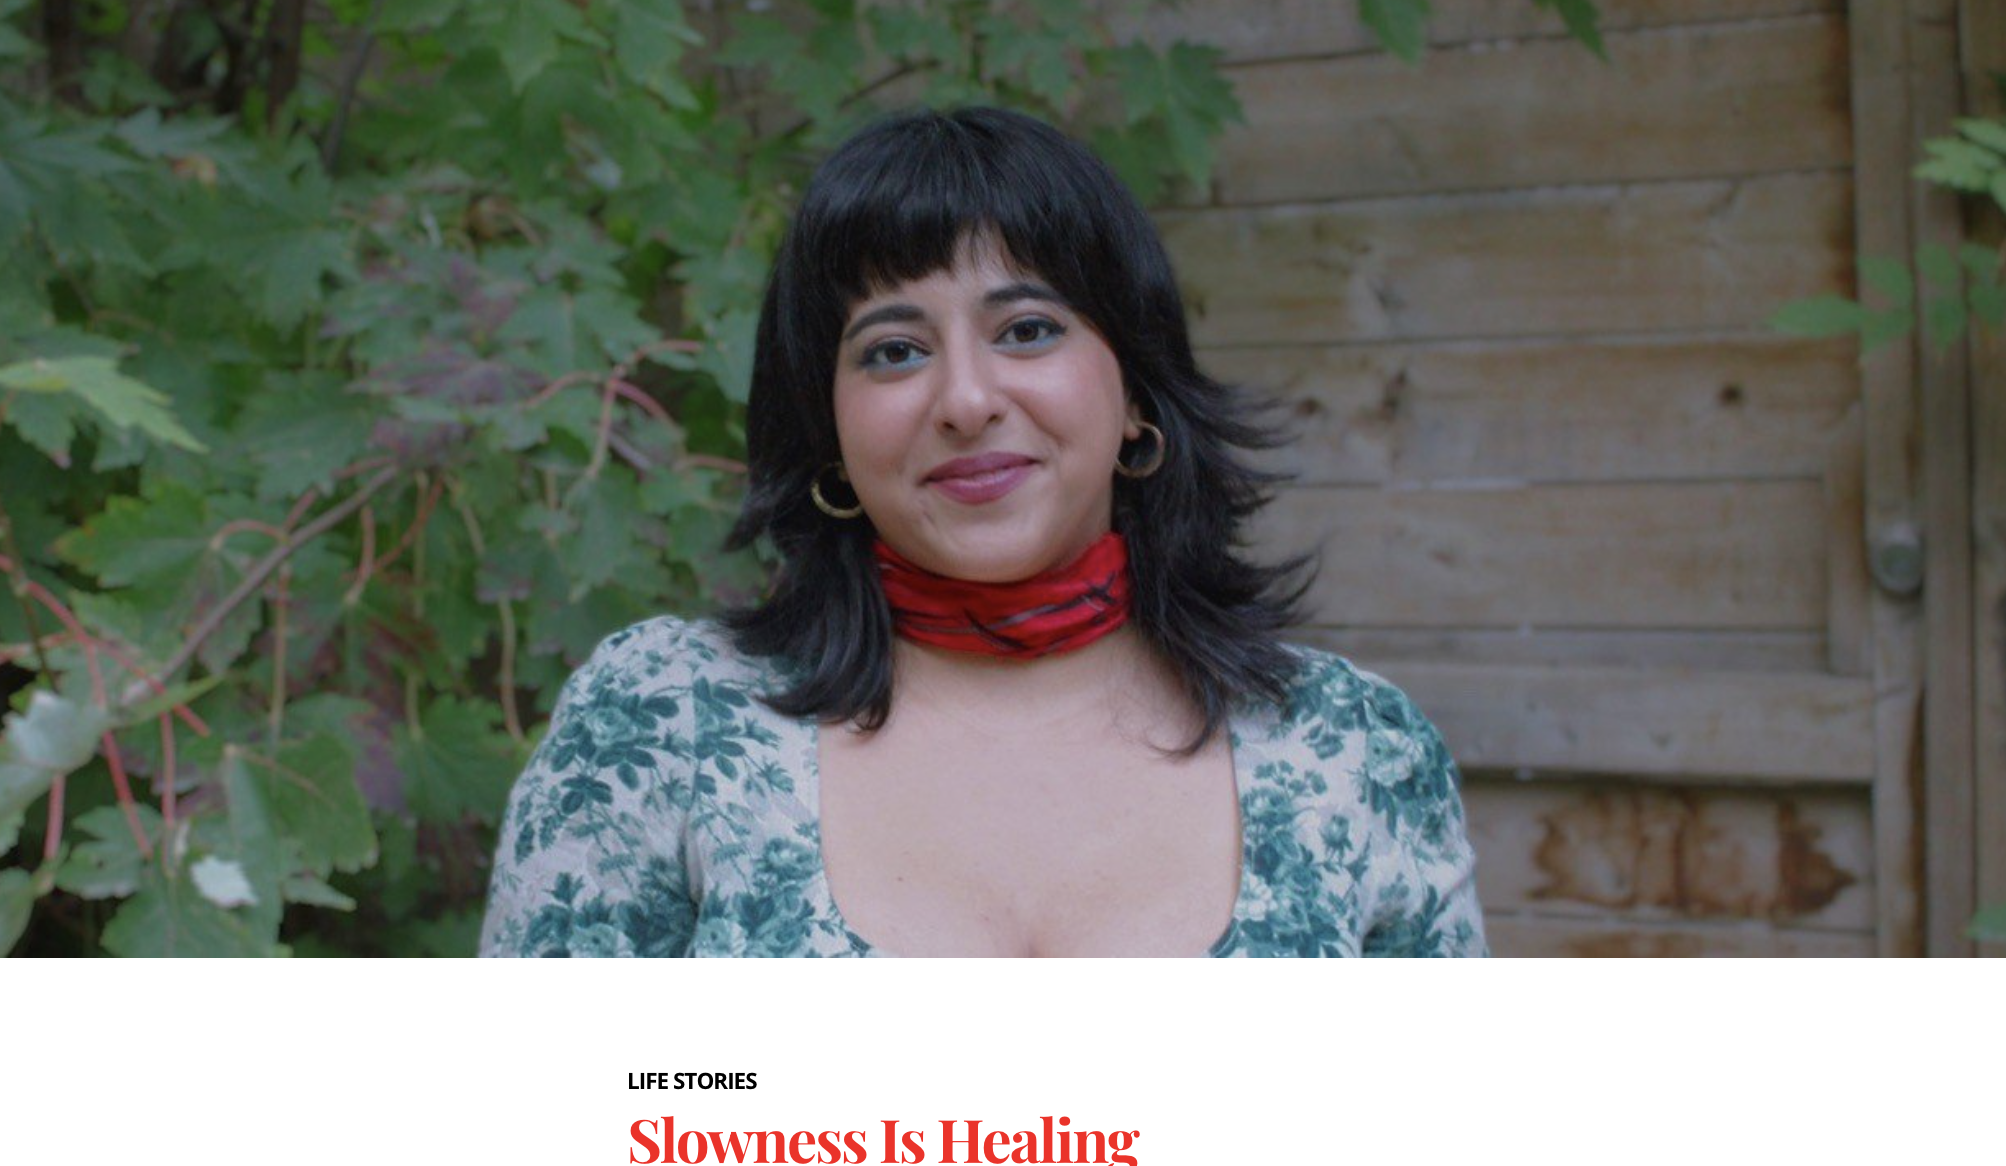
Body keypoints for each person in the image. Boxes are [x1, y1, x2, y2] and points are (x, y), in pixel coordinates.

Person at [479, 106, 1485, 957]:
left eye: (1027, 329)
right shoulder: (660, 724)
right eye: (892, 350)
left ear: (1134, 388)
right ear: (826, 428)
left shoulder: (1350, 748)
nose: (964, 398)